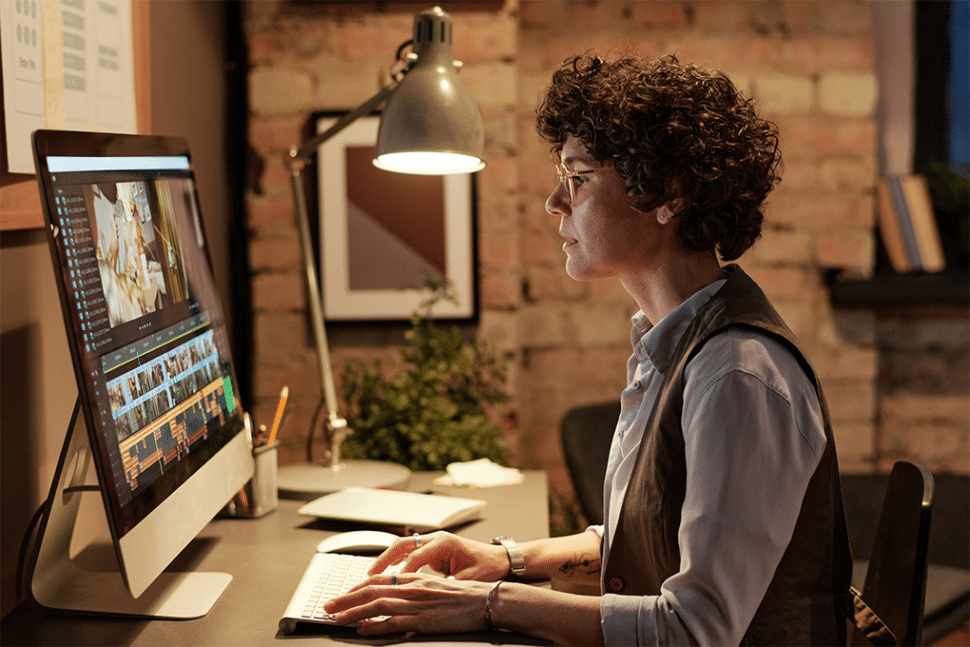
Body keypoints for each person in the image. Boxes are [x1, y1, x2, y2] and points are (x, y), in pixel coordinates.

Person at [324, 54, 852, 646]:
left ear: (667, 195)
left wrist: (488, 604)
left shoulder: (737, 374)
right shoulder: (674, 342)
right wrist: (507, 560)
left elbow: (693, 631)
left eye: (577, 178)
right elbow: (651, 536)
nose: (555, 201)